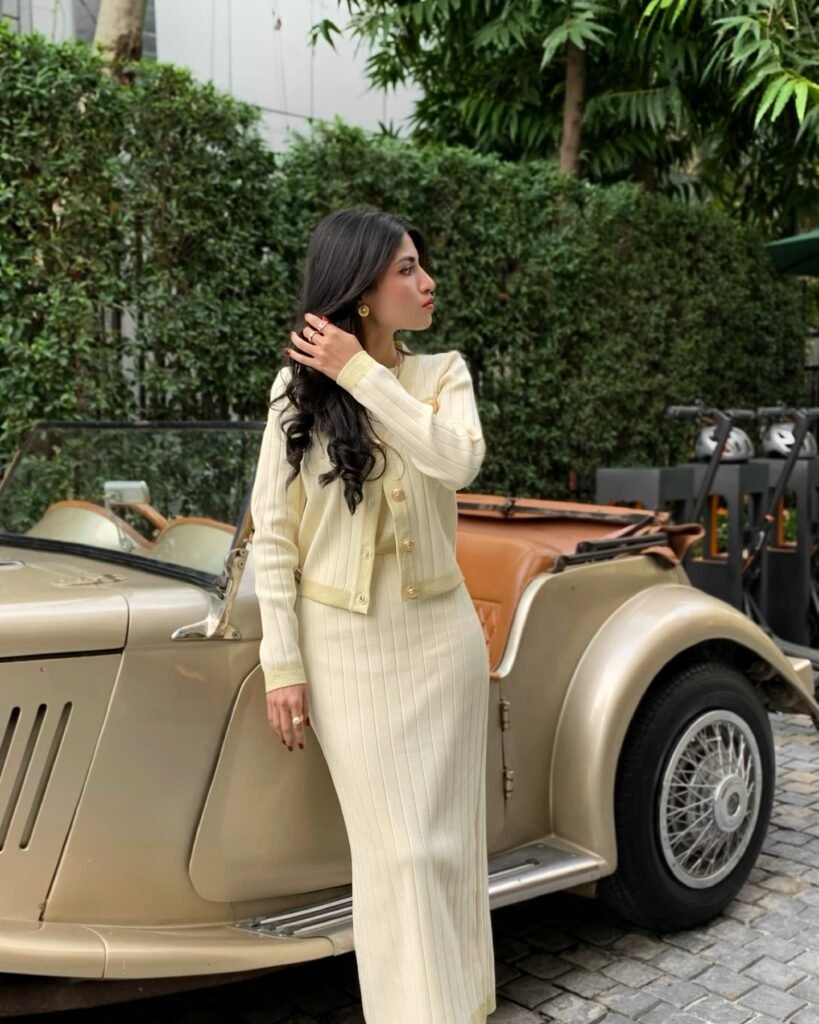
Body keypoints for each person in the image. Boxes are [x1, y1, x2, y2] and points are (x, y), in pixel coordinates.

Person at [250, 205, 496, 1024]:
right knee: (396, 855)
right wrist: (282, 666)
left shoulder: (443, 374)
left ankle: (458, 1008)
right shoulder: (294, 390)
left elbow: (456, 461)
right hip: (345, 652)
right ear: (360, 289)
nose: (426, 283)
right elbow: (272, 536)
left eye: (422, 266)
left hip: (441, 646)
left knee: (447, 850)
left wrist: (362, 372)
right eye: (406, 269)